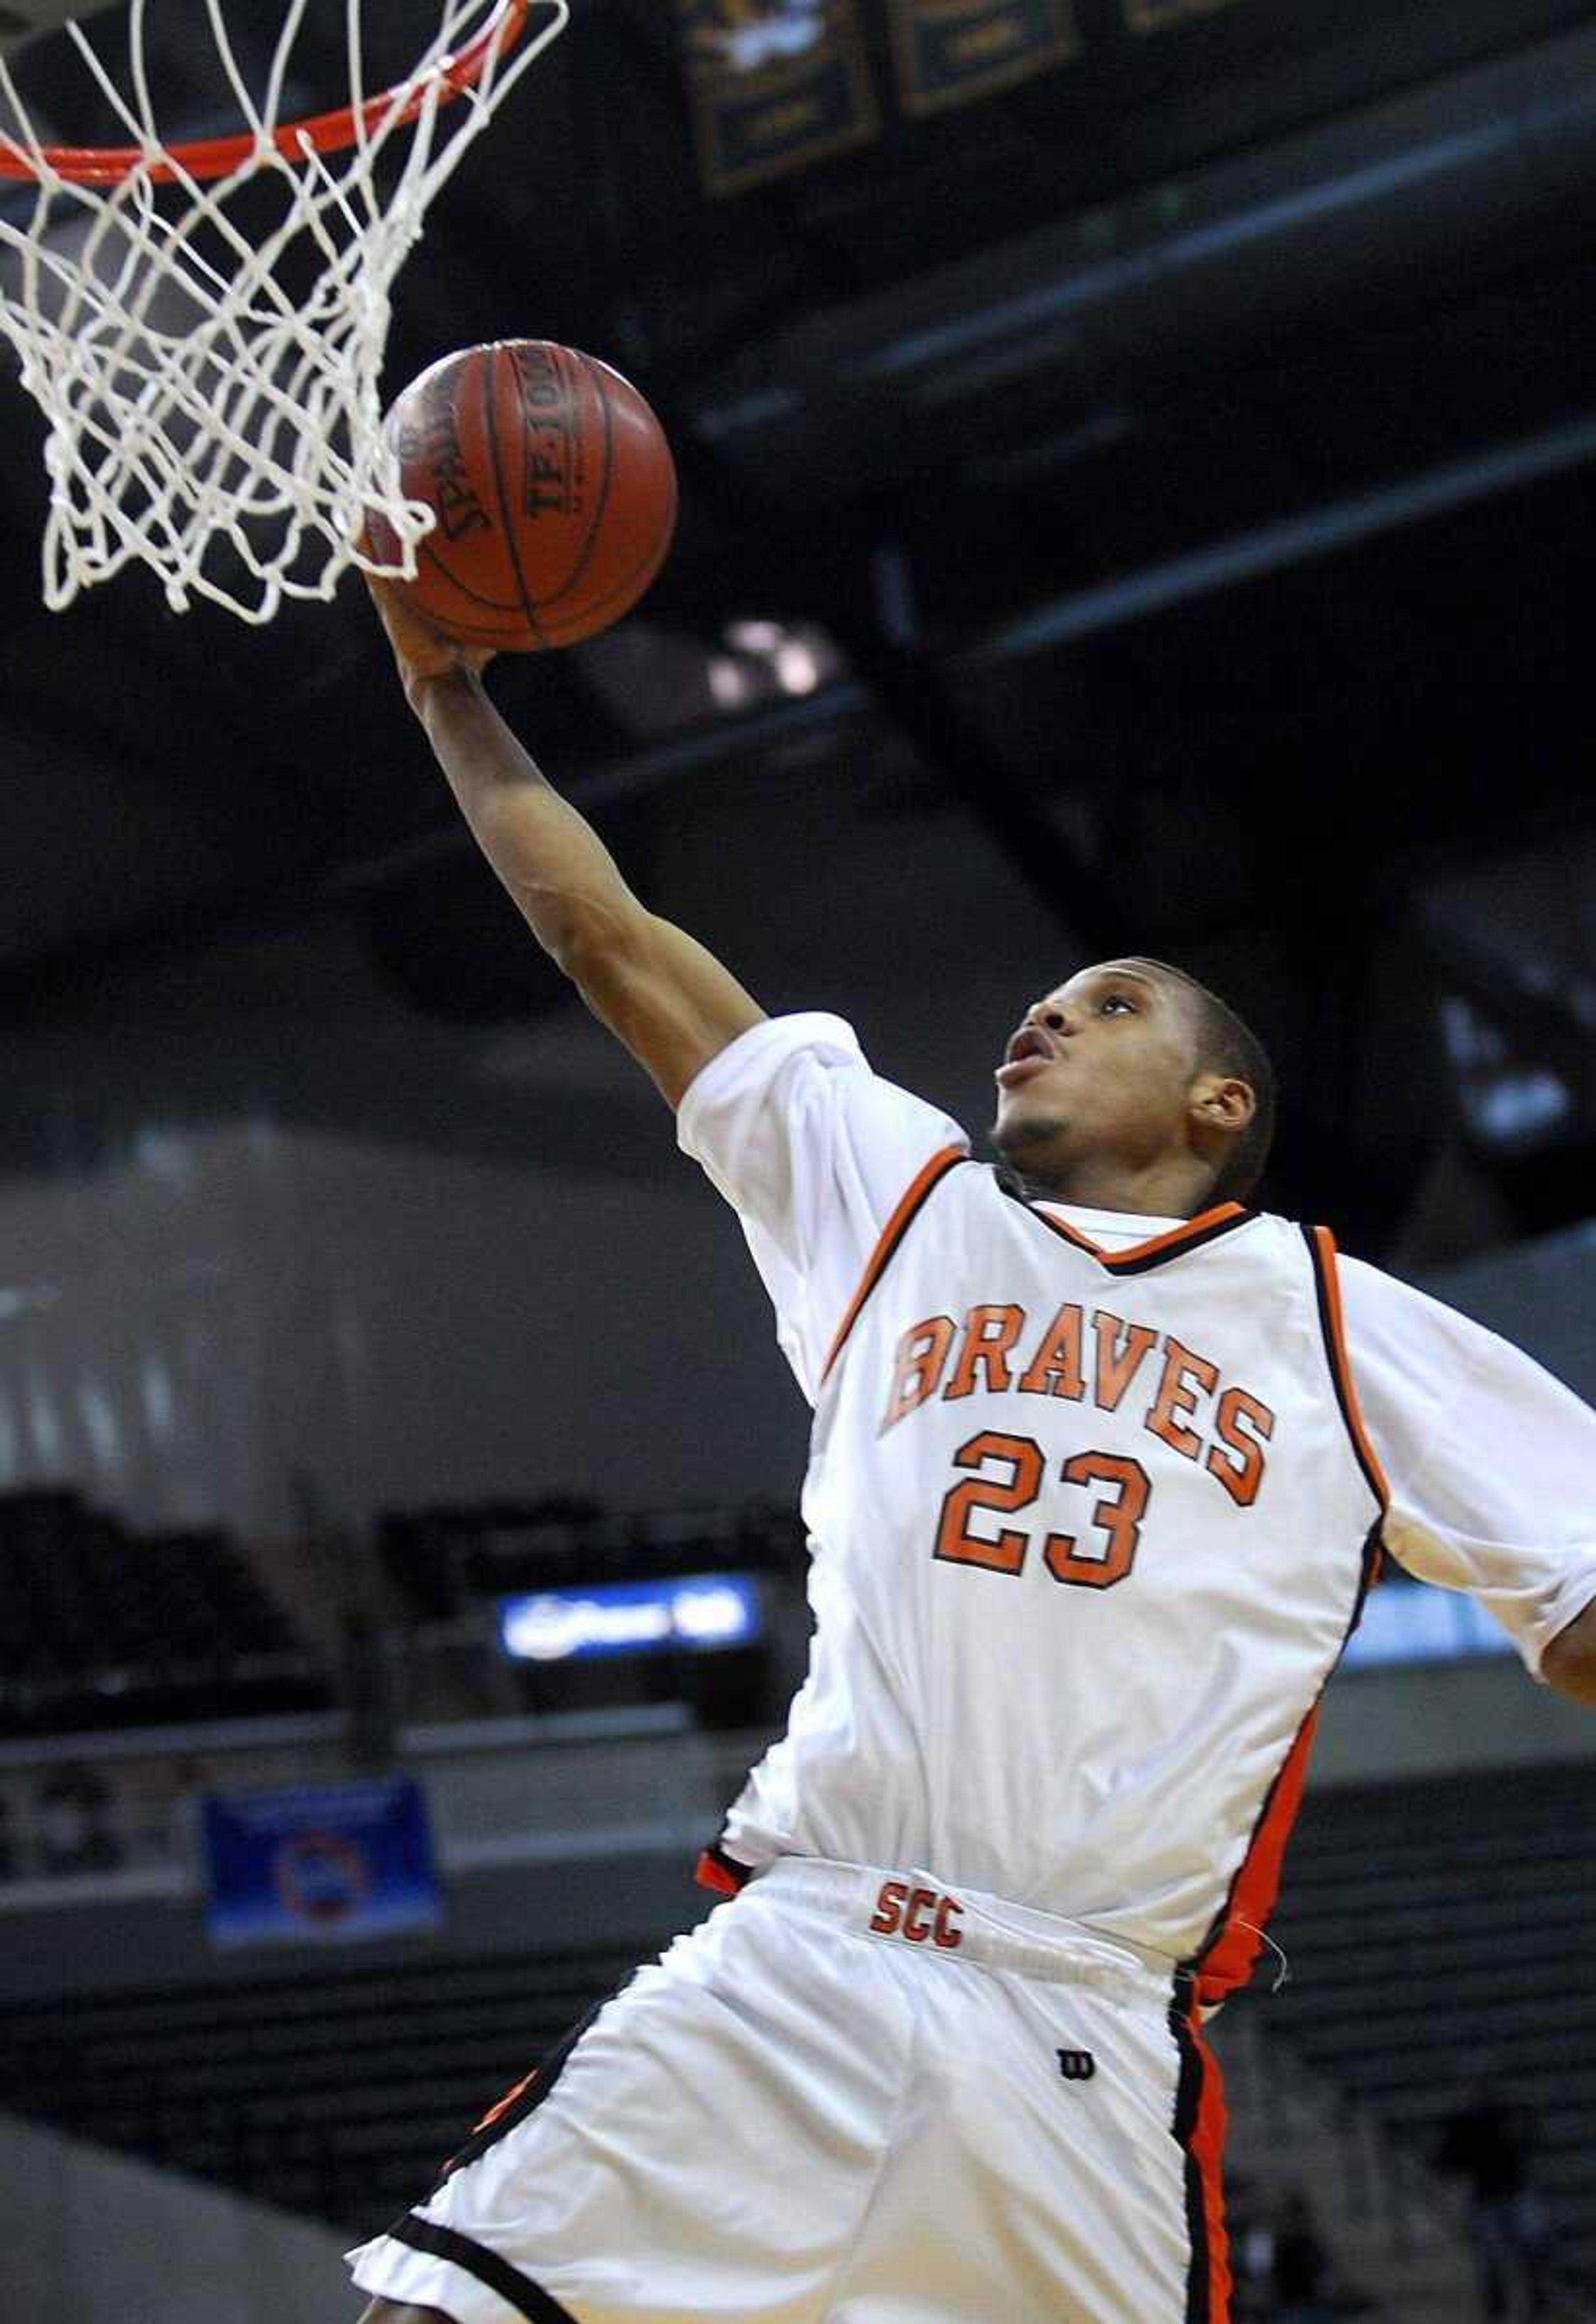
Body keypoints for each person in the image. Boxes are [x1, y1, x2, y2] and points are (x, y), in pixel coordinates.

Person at [347, 588, 1596, 2324]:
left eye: (1112, 1003)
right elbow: (610, 939)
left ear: (1221, 1104)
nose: (1050, 1015)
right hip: (796, 1959)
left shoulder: (1339, 1316)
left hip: (1076, 2029)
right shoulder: (899, 1200)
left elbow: (1582, 1593)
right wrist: (445, 692)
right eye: (1048, 999)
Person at [1436, 2080, 1553, 2319]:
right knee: (1490, 2257)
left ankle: (1536, 2301)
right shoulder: (1461, 2125)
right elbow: (1445, 2162)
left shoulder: (1507, 2118)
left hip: (1515, 2191)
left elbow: (1532, 2141)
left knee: (1531, 2247)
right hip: (1485, 2198)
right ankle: (1497, 2308)